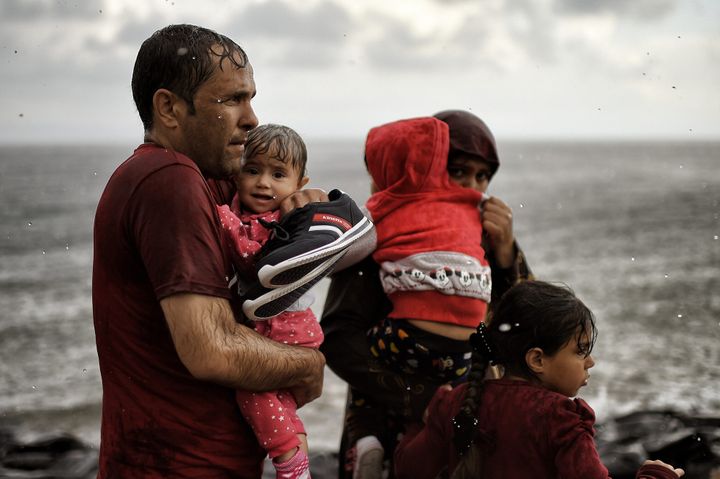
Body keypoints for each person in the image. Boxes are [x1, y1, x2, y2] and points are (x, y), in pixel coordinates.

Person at [92, 24, 326, 478]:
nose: (252, 117)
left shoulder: (206, 180)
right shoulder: (168, 179)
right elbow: (211, 349)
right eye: (231, 100)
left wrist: (305, 205)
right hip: (176, 466)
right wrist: (309, 363)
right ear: (169, 108)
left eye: (251, 97)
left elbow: (341, 225)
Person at [320, 110, 534, 478]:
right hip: (383, 428)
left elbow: (530, 333)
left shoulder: (480, 241)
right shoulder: (388, 232)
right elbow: (339, 337)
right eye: (458, 171)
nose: (472, 187)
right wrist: (420, 397)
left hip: (467, 428)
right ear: (428, 168)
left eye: (482, 176)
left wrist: (506, 255)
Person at [393, 280, 685, 479]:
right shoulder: (560, 419)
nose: (590, 362)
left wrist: (420, 422)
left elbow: (409, 469)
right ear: (537, 360)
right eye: (581, 351)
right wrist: (656, 475)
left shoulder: (457, 402)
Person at [216, 123, 369, 479]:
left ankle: (289, 463)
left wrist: (219, 214)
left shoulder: (276, 221)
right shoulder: (253, 208)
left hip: (283, 329)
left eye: (278, 174)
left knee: (253, 393)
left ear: (299, 185)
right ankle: (298, 458)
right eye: (252, 170)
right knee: (280, 402)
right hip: (286, 328)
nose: (263, 183)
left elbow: (251, 254)